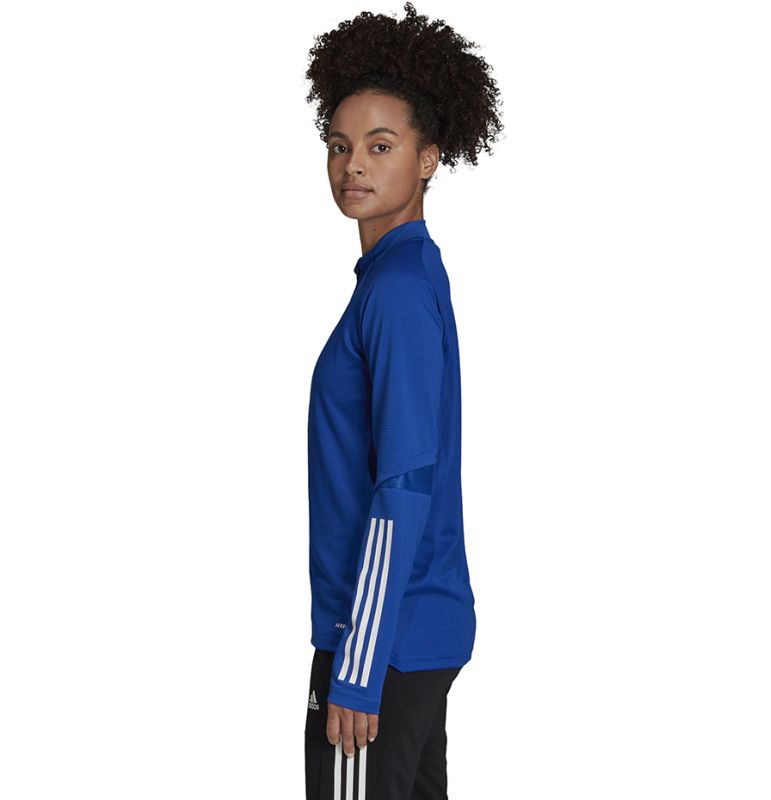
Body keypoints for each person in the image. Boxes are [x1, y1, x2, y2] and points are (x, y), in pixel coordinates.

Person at [302, 4, 503, 797]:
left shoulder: (396, 292)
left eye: (380, 146)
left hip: (381, 642)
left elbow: (405, 483)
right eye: (339, 145)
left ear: (428, 158)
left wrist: (356, 667)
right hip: (414, 632)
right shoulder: (409, 275)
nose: (353, 164)